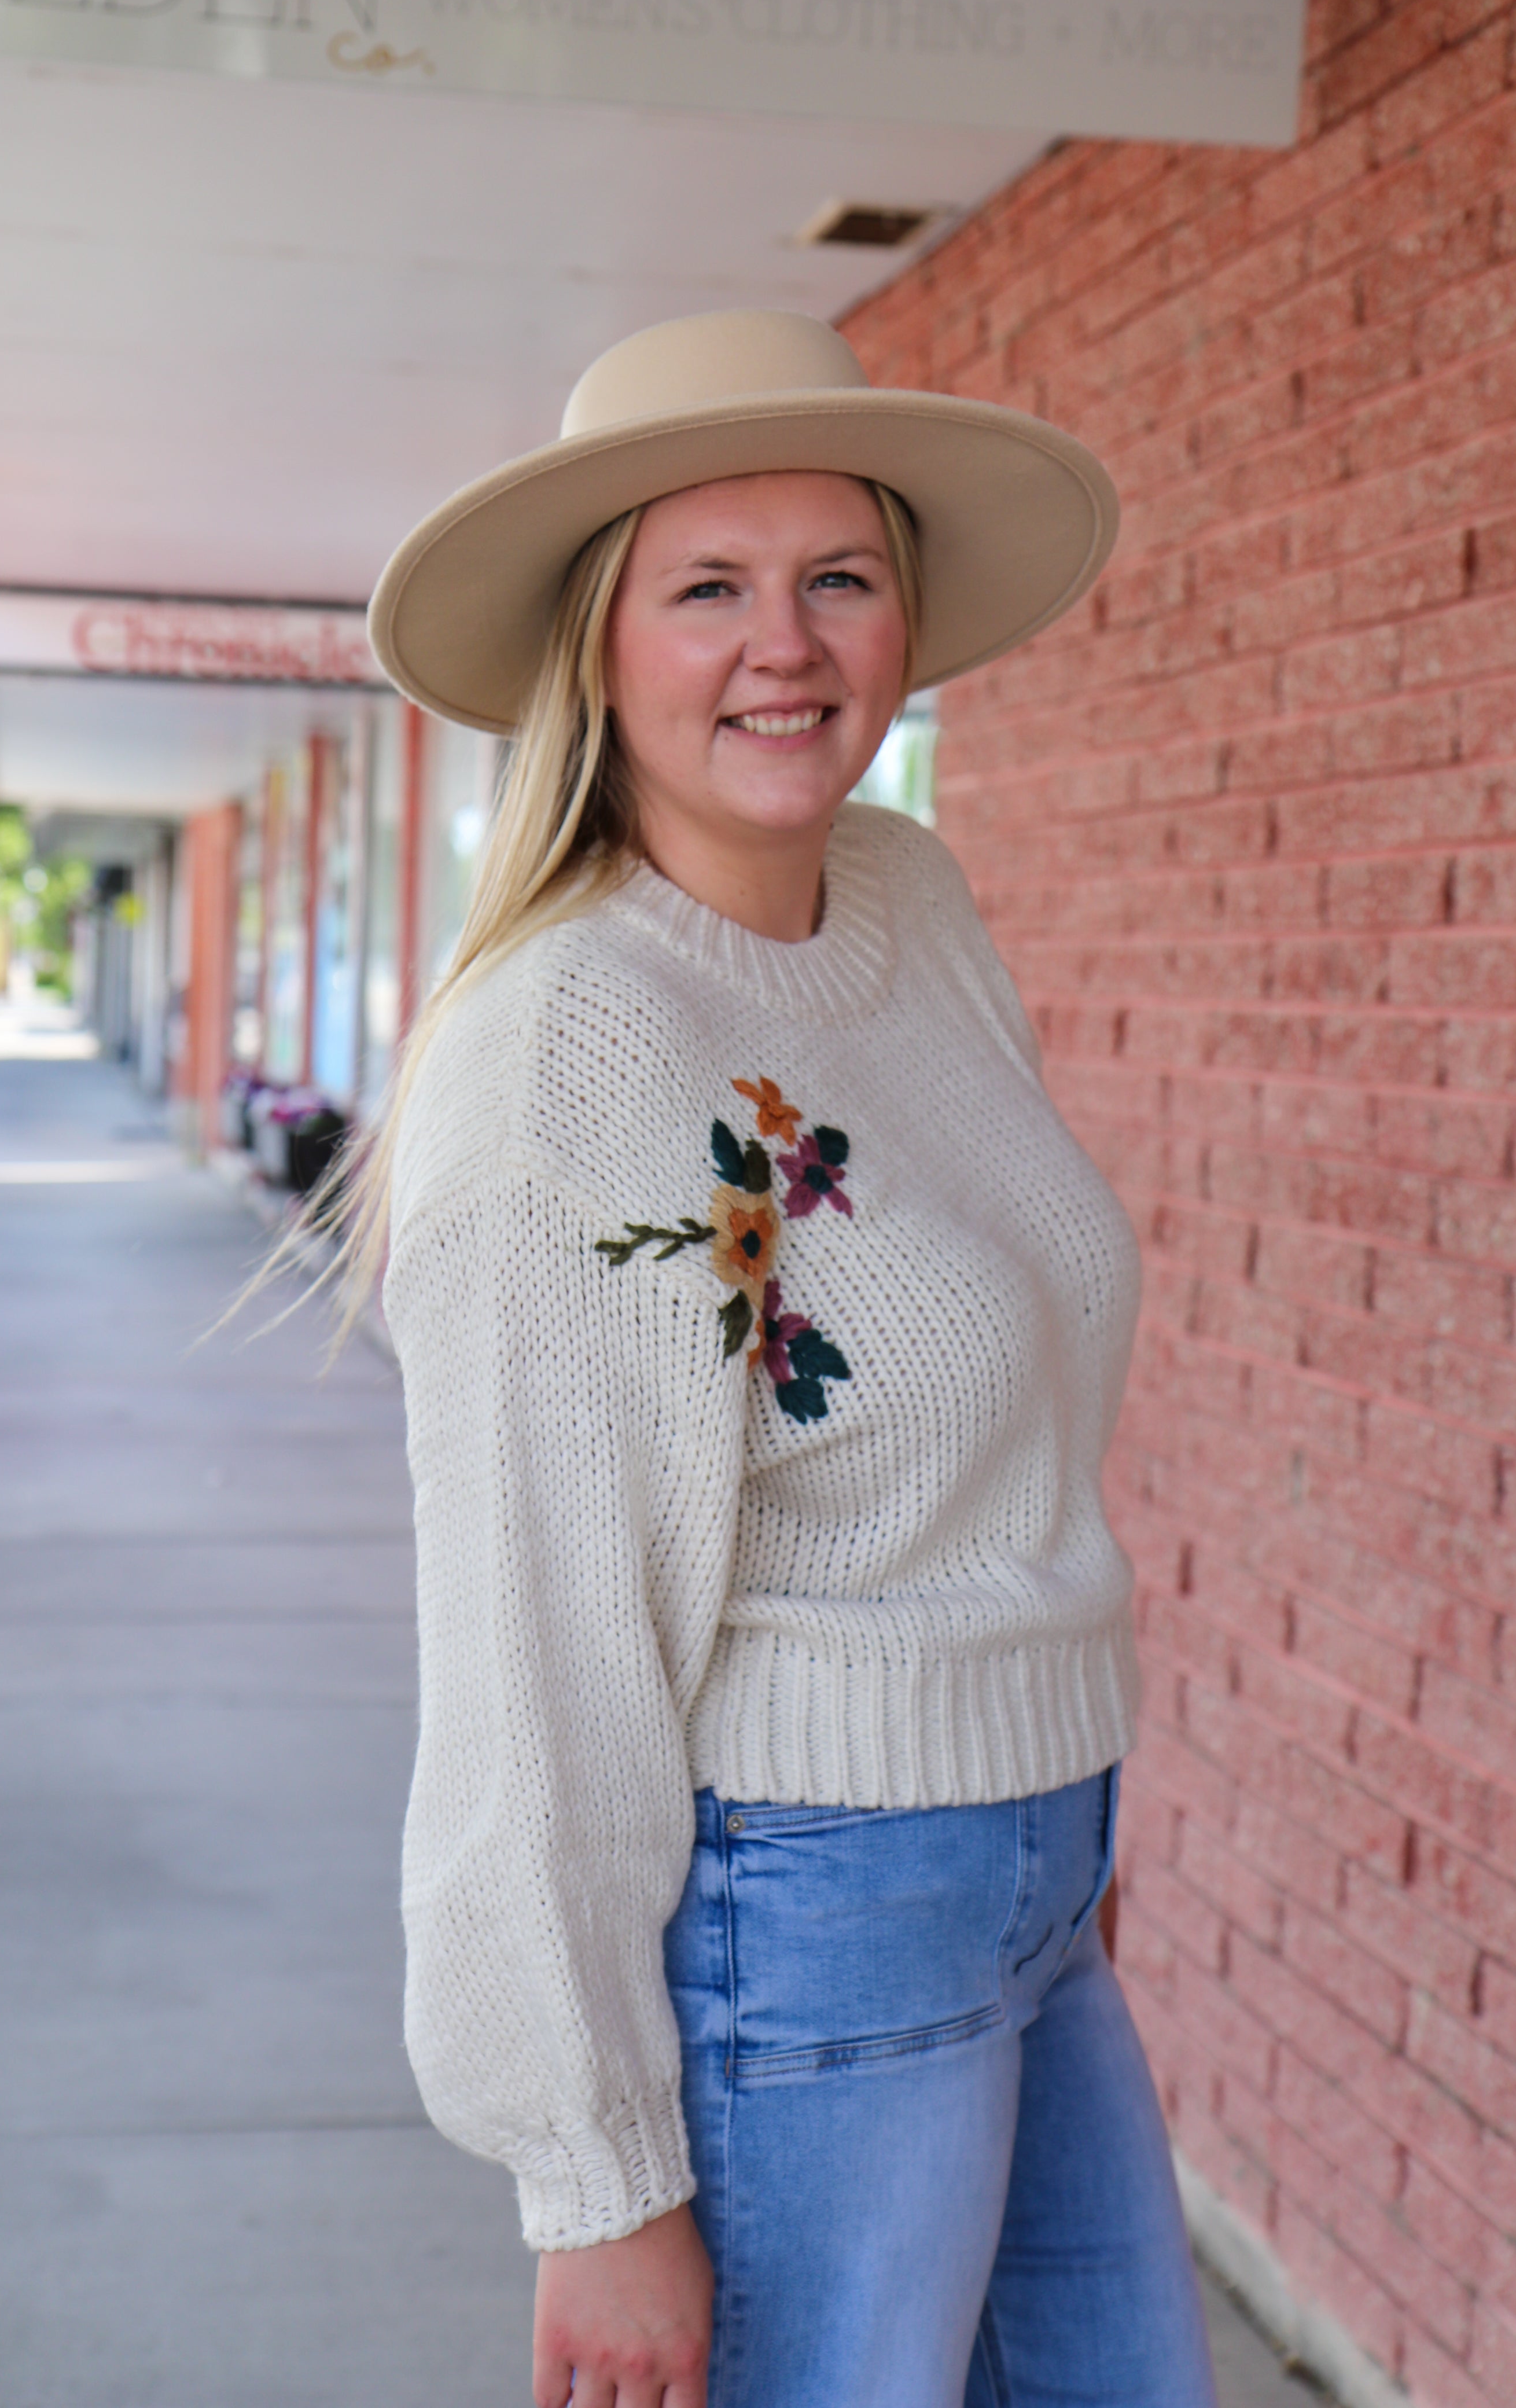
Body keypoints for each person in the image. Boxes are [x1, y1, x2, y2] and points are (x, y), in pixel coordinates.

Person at [351, 310, 1216, 2408]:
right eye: (708, 586)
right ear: (601, 643)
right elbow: (538, 1649)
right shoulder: (570, 1051)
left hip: (1024, 1879)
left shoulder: (906, 899)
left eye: (839, 574)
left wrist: (1058, 1825)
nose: (787, 643)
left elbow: (1008, 1417)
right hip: (808, 1914)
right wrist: (598, 2176)